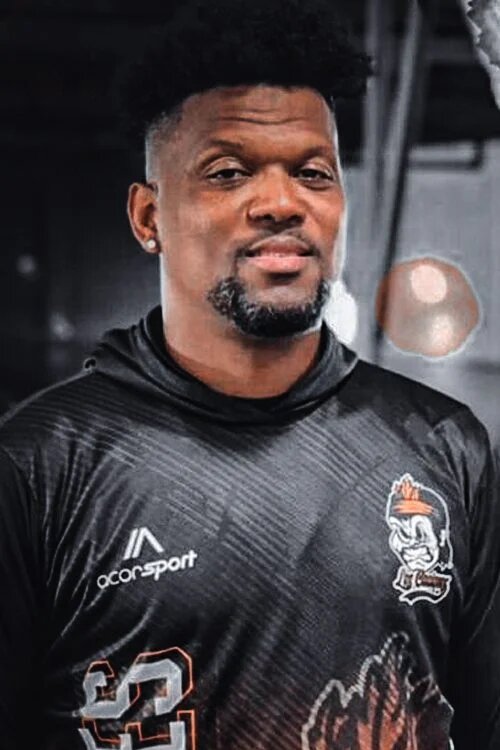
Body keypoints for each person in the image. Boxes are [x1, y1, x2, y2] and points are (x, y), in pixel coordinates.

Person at [1, 1, 499, 748]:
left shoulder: (445, 447)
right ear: (148, 219)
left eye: (313, 173)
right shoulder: (39, 466)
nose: (281, 203)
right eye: (228, 173)